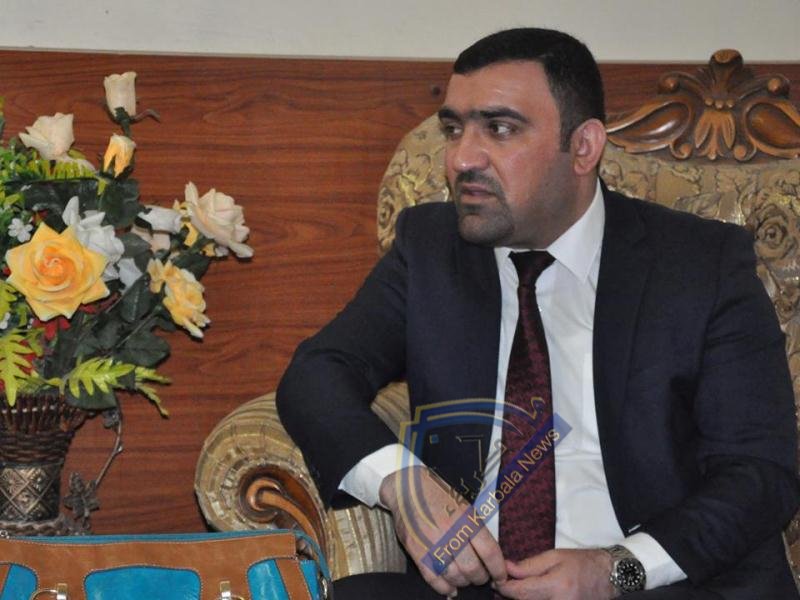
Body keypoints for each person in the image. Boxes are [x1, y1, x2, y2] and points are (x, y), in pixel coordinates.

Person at [276, 28, 800, 599]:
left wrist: (615, 569)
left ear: (584, 147)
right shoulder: (430, 248)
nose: (461, 158)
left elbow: (760, 472)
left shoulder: (699, 263)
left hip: (651, 582)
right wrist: (403, 483)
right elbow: (318, 373)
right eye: (454, 129)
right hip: (474, 586)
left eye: (500, 129)